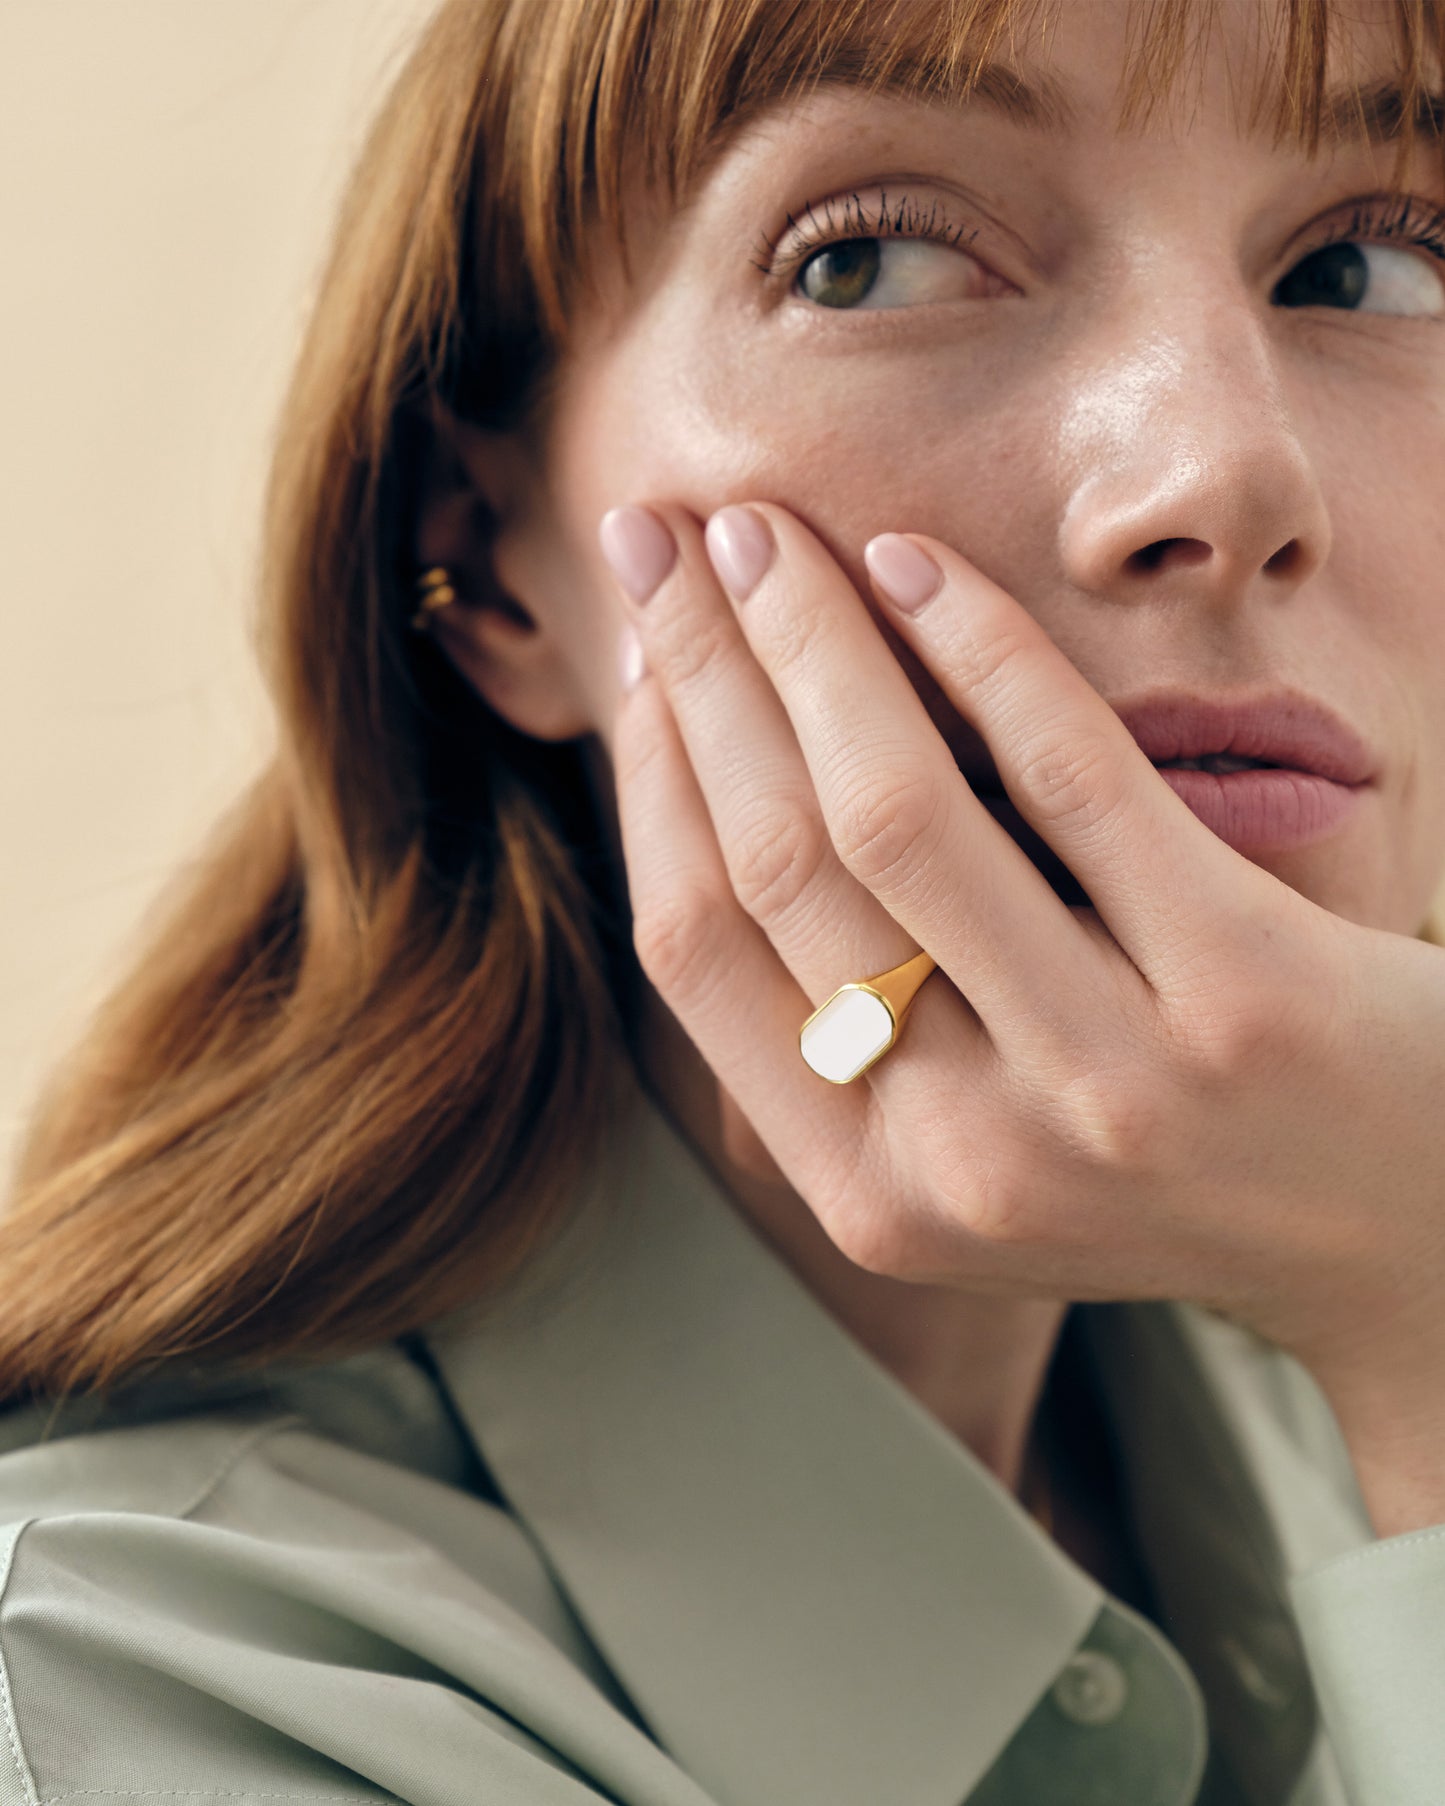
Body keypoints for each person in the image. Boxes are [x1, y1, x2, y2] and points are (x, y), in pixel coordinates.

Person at [2, 0, 1443, 1799]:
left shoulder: (1345, 1343)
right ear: (489, 557)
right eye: (874, 259)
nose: (1232, 476)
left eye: (1370, 267)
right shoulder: (140, 1675)